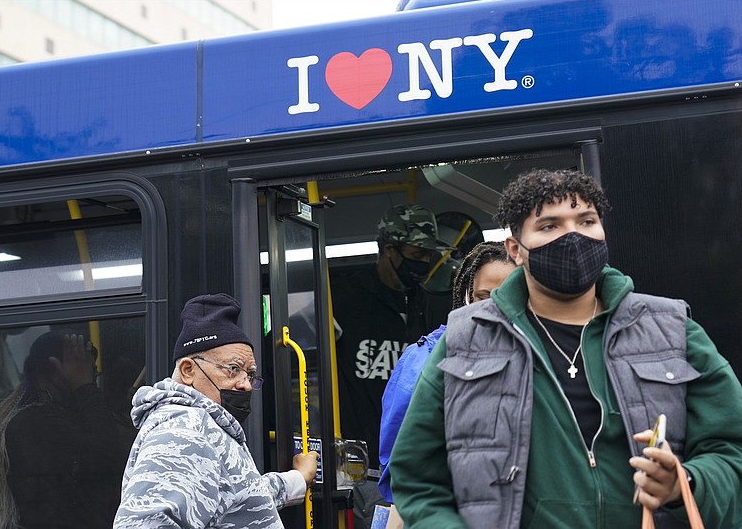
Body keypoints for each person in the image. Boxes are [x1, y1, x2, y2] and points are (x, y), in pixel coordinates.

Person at [389, 169, 742, 528]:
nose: (572, 237)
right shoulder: (466, 340)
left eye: (586, 221)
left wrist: (683, 483)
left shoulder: (671, 329)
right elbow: (418, 477)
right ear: (515, 249)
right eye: (549, 225)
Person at [114, 293, 318, 529]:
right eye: (233, 369)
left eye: (250, 374)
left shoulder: (204, 427)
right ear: (189, 370)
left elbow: (238, 495)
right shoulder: (185, 430)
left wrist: (297, 479)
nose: (246, 384)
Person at [331, 203, 453, 527]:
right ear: (390, 250)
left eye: (429, 255)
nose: (424, 263)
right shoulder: (341, 299)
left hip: (420, 467)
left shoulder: (433, 306)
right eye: (417, 253)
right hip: (360, 467)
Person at [378, 241, 516, 503]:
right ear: (465, 295)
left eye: (508, 296)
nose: (496, 308)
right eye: (483, 297)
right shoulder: (425, 359)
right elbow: (399, 463)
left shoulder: (545, 357)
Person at [0, 329, 126, 529]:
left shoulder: (63, 415)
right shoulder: (33, 423)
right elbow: (103, 459)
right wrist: (84, 385)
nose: (91, 374)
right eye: (81, 366)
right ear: (53, 367)